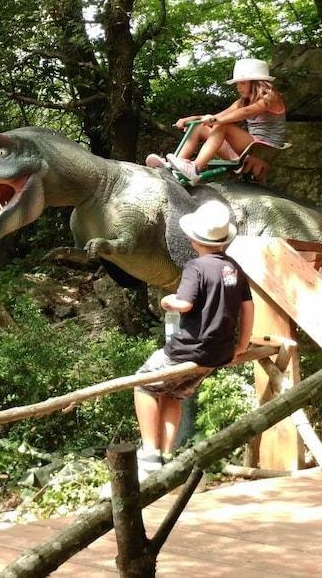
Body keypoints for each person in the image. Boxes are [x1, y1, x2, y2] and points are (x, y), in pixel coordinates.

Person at [131, 200, 254, 475]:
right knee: (174, 393)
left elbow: (184, 304)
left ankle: (149, 453)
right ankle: (165, 454)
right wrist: (242, 345)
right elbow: (248, 307)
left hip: (188, 349)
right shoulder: (234, 268)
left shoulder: (195, 267)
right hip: (218, 354)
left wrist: (167, 302)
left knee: (144, 384)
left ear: (195, 240)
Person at [146, 58, 287, 182]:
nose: (238, 87)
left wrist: (216, 120)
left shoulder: (271, 97)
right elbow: (219, 115)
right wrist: (192, 118)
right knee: (199, 127)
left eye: (242, 83)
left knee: (223, 126)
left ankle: (195, 168)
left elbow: (246, 112)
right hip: (246, 150)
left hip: (261, 151)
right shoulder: (242, 102)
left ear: (257, 82)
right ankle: (174, 167)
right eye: (237, 84)